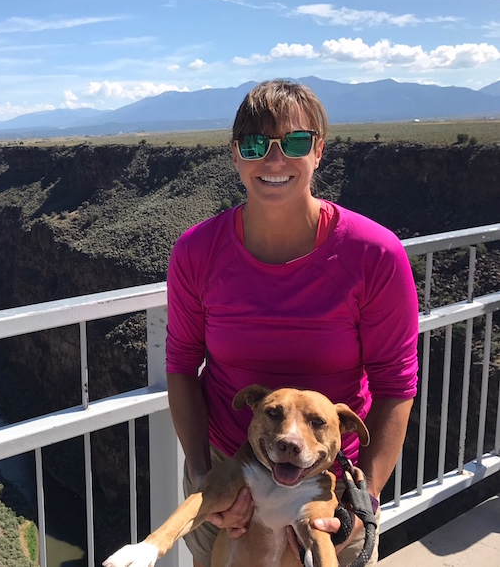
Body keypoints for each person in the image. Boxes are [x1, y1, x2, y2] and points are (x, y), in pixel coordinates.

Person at [165, 79, 419, 567]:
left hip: (326, 477)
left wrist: (362, 502)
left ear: (319, 151)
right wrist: (204, 480)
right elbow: (180, 366)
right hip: (228, 466)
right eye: (256, 144)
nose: (274, 160)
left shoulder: (375, 255)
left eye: (295, 142)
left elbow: (396, 384)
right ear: (236, 155)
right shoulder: (196, 252)